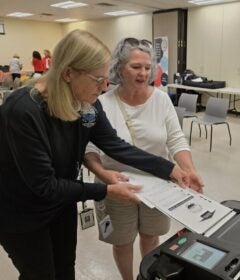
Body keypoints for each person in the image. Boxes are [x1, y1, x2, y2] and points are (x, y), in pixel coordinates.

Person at [0, 30, 190, 280]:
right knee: (41, 274)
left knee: (65, 267)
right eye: (98, 79)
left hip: (61, 203)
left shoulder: (86, 106)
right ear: (68, 73)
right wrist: (105, 190)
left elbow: (114, 144)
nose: (104, 88)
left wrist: (170, 169)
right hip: (23, 212)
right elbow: (43, 185)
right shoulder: (23, 111)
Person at [84, 37, 204, 280]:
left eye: (148, 67)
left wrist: (188, 168)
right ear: (119, 67)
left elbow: (176, 139)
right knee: (122, 241)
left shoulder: (161, 100)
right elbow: (89, 150)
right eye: (136, 67)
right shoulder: (100, 103)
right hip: (117, 185)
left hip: (159, 184)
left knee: (151, 236)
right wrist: (105, 176)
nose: (143, 73)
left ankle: (147, 276)